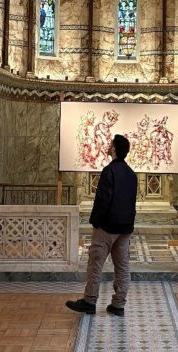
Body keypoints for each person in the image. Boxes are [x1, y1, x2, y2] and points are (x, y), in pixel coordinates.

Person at [66, 134, 137, 317]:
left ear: (113, 149)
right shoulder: (131, 174)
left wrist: (95, 221)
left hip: (107, 226)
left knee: (95, 263)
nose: (108, 146)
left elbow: (103, 199)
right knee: (122, 266)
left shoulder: (109, 171)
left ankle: (89, 301)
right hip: (126, 228)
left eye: (110, 144)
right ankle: (118, 305)